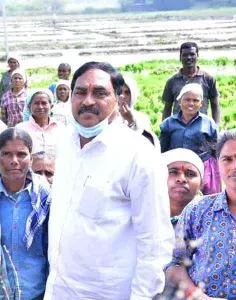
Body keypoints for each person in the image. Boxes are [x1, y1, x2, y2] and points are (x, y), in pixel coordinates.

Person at [46, 62, 174, 299]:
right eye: (81, 92)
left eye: (100, 93)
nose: (88, 101)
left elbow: (155, 242)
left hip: (110, 293)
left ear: (118, 98)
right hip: (60, 288)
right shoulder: (65, 144)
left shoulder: (138, 154)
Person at [165, 129, 236, 300]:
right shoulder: (198, 210)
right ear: (217, 164)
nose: (234, 166)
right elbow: (174, 262)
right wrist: (194, 294)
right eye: (227, 159)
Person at [0, 128, 51, 299]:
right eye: (7, 154)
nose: (14, 161)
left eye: (21, 154)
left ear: (31, 158)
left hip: (37, 292)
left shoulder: (46, 200)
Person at [160, 83, 219, 195]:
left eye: (195, 100)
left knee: (205, 200)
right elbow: (163, 149)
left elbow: (215, 149)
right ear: (179, 101)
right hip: (177, 169)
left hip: (204, 169)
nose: (191, 103)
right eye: (187, 99)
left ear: (201, 104)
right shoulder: (168, 124)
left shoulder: (208, 123)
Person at [162, 42, 220, 125]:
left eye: (192, 54)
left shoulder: (208, 79)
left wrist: (216, 127)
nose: (188, 57)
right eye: (185, 55)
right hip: (178, 128)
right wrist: (165, 128)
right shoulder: (172, 81)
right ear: (180, 57)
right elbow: (167, 108)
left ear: (197, 57)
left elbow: (215, 105)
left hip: (201, 127)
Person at [162, 148, 204, 226]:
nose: (181, 179)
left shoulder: (211, 219)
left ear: (201, 184)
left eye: (191, 174)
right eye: (173, 172)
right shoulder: (139, 214)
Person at [119, 76, 160, 148]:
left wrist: (131, 121)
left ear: (133, 95)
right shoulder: (107, 117)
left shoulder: (142, 118)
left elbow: (147, 145)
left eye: (127, 92)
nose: (122, 96)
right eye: (119, 92)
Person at [17, 88, 62, 154]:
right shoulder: (20, 129)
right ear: (29, 106)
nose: (40, 107)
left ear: (51, 106)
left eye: (44, 103)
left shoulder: (60, 128)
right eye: (36, 103)